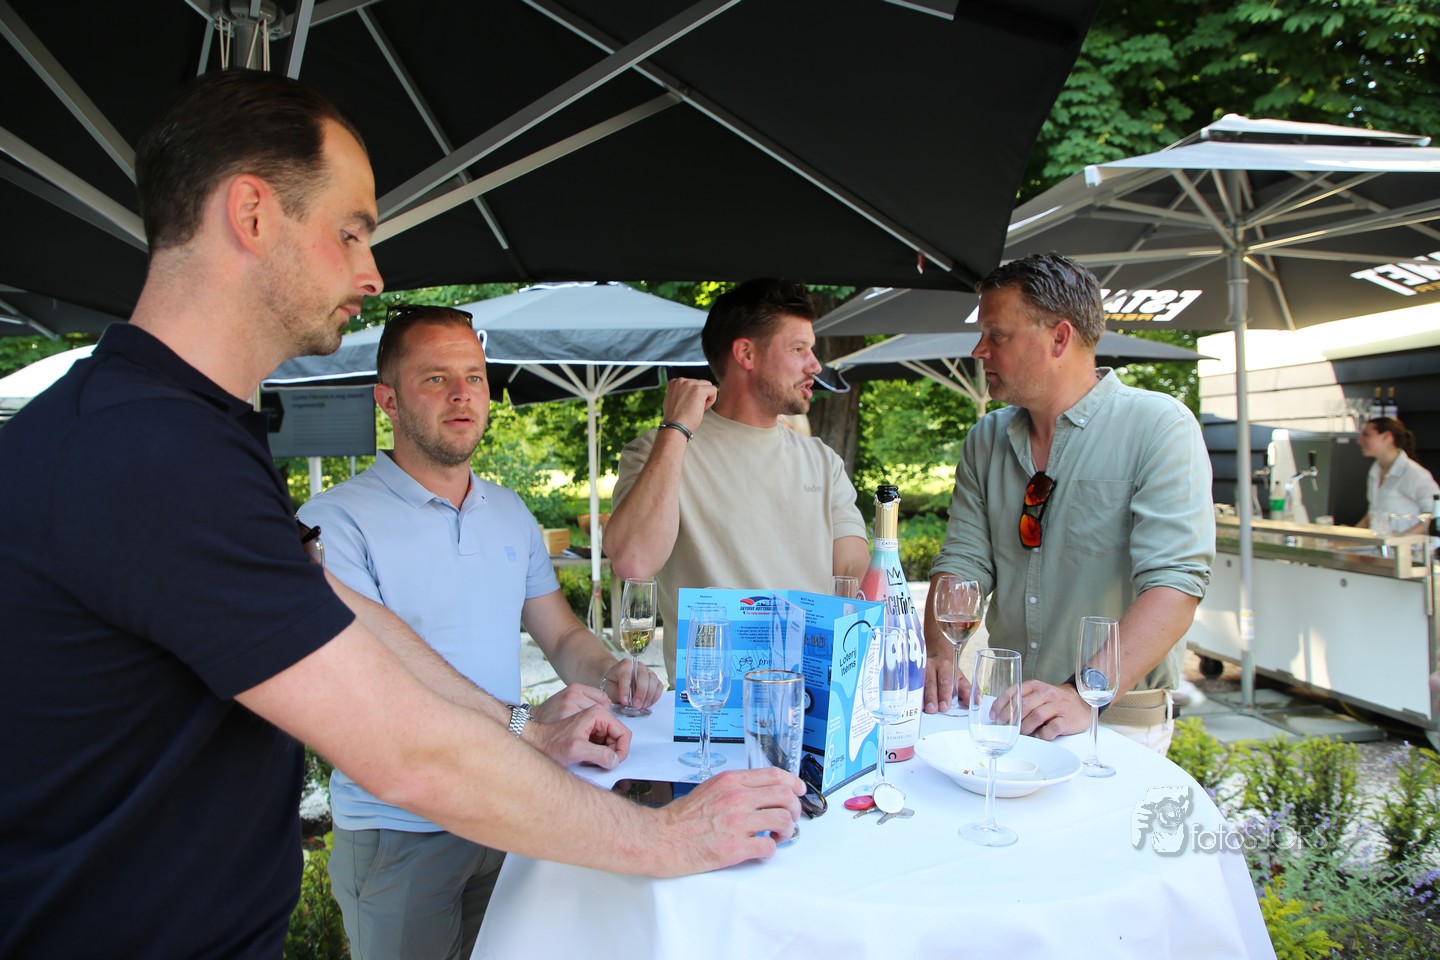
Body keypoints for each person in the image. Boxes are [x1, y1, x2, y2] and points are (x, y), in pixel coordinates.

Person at [0, 70, 801, 959]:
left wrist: (526, 727)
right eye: (350, 231)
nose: (371, 272)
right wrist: (665, 838)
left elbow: (352, 626)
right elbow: (404, 751)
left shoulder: (170, 429)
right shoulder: (150, 452)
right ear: (252, 214)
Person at [297, 304, 664, 959]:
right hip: (401, 823)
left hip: (506, 807)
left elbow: (560, 636)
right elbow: (381, 672)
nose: (462, 393)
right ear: (388, 400)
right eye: (435, 378)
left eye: (474, 377)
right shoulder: (335, 522)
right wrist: (525, 724)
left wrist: (612, 671)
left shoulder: (510, 511)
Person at [921, 253, 1214, 753]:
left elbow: (1174, 587)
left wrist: (1083, 694)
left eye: (997, 335)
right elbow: (963, 562)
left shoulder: (1159, 427)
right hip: (1007, 713)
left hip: (1115, 724)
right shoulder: (986, 438)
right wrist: (941, 655)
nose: (979, 349)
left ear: (1059, 338)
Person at [604, 278, 870, 683]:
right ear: (746, 353)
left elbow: (854, 573)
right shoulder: (657, 453)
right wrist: (676, 428)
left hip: (812, 697)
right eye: (799, 349)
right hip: (710, 705)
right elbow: (633, 562)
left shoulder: (822, 462)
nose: (815, 365)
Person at [1356, 415, 1438, 540]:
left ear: (1387, 436)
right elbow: (1374, 512)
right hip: (1381, 547)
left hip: (1408, 550)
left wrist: (1401, 538)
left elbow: (1434, 514)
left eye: (1366, 435)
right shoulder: (1375, 470)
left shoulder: (1414, 473)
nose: (1359, 441)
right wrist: (1349, 534)